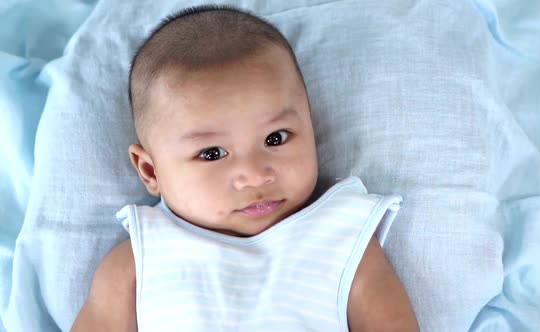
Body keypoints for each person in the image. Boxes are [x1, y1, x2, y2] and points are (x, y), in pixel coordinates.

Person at [72, 5, 419, 331]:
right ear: (151, 172)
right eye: (211, 153)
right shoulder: (139, 262)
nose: (255, 175)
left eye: (275, 138)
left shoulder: (342, 235)